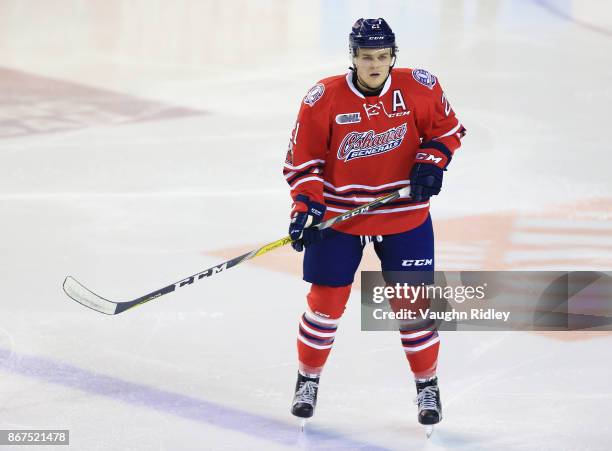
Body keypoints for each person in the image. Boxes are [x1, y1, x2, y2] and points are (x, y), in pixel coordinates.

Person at [283, 17, 465, 429]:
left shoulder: (419, 86)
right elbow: (303, 161)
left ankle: (427, 385)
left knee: (412, 307)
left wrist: (432, 161)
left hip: (403, 214)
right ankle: (307, 380)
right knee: (325, 305)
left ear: (392, 56)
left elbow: (448, 130)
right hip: (340, 217)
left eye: (383, 57)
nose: (375, 65)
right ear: (353, 57)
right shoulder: (323, 97)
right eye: (367, 57)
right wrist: (306, 207)